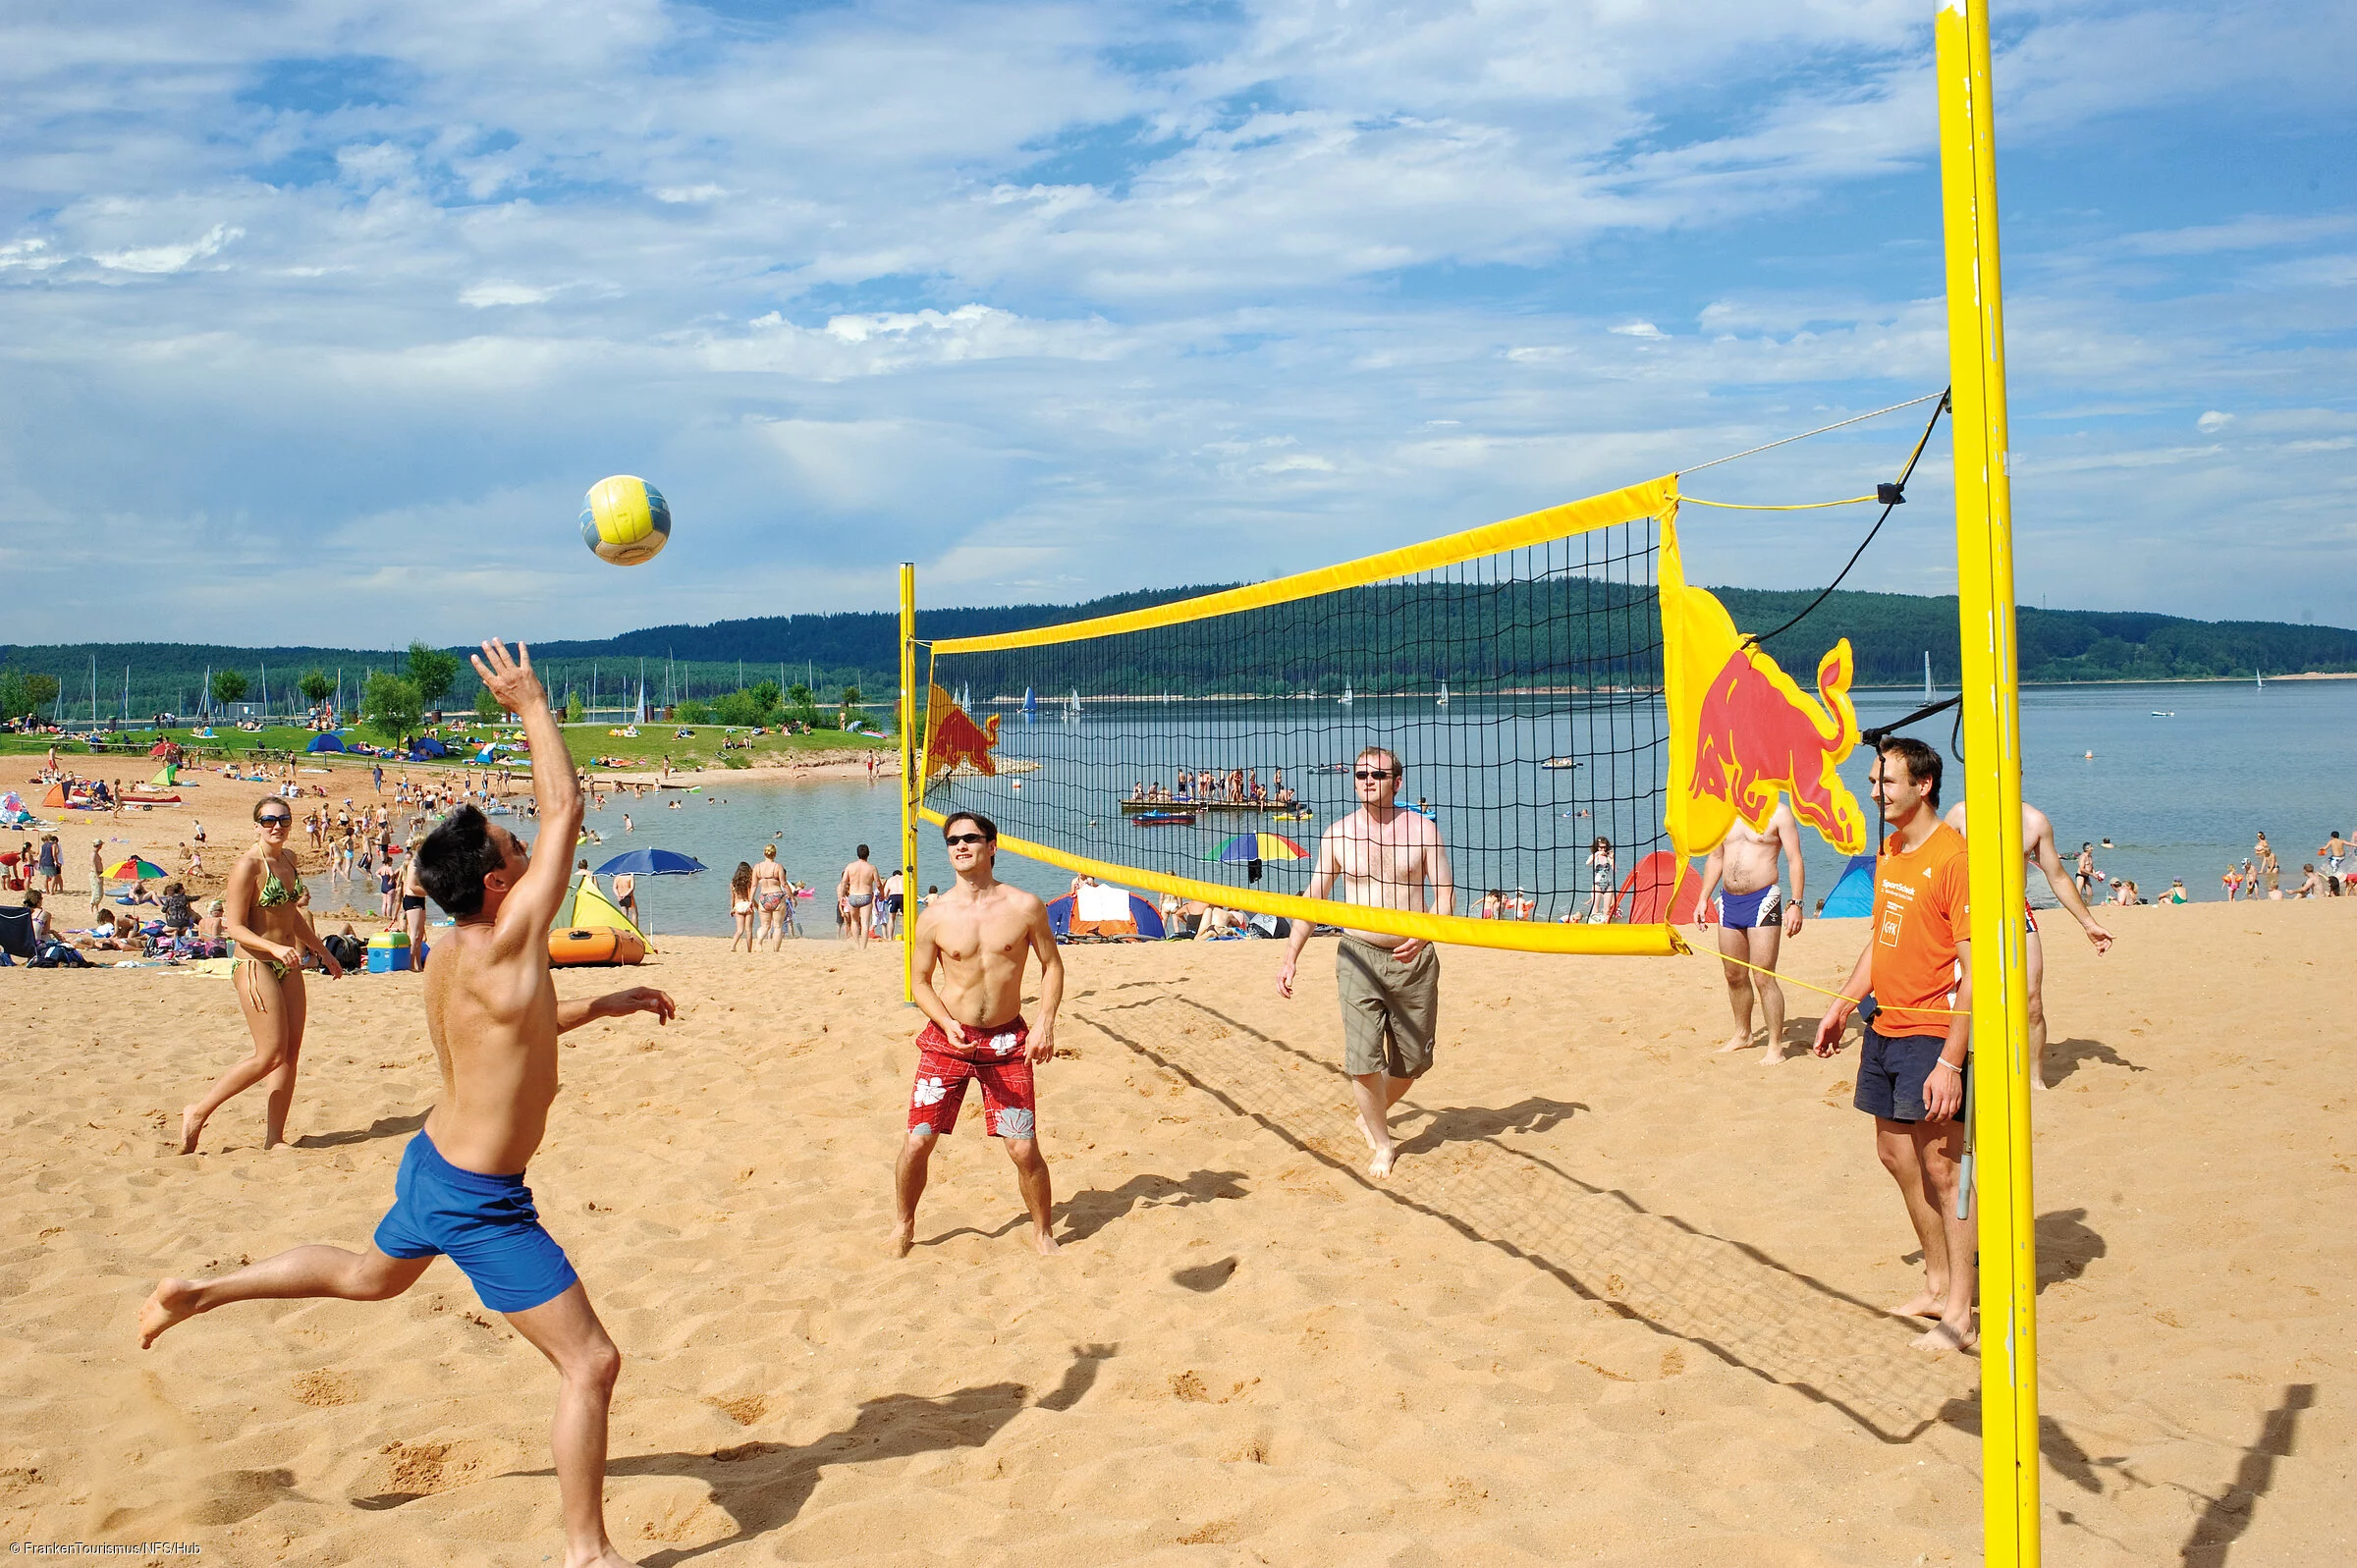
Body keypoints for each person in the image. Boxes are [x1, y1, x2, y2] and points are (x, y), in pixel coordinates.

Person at [141, 639, 673, 1568]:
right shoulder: (510, 942)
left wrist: (608, 1002)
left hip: (432, 1160)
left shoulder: (462, 953)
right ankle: (587, 1553)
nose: (524, 839)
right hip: (479, 1195)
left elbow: (507, 1038)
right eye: (512, 847)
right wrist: (533, 704)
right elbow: (566, 807)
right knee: (591, 1363)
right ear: (502, 883)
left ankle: (201, 1291)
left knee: (367, 1276)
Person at [1812, 737, 1974, 1355]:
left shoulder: (1954, 858)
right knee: (1895, 1157)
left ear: (1923, 786)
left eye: (1886, 782)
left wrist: (1950, 1062)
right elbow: (1883, 941)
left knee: (1943, 1166)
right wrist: (1842, 1004)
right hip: (1885, 1026)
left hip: (1935, 1030)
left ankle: (1961, 1311)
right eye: (1875, 782)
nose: (1875, 793)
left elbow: (1974, 967)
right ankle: (1937, 1284)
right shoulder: (1890, 851)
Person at [1276, 744, 1454, 1179]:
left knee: (1413, 1063)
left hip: (1414, 958)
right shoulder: (1337, 835)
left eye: (1377, 775)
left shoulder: (1422, 831)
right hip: (1357, 956)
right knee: (1362, 1060)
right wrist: (1290, 956)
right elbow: (1314, 901)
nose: (1368, 782)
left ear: (1398, 781)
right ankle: (1382, 1142)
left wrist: (1424, 933)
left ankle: (1368, 1115)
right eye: (1360, 775)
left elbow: (1445, 895)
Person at [896, 811, 1064, 1258]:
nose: (961, 846)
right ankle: (904, 1225)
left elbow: (1052, 965)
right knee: (917, 1141)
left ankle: (1043, 1232)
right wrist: (946, 1022)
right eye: (953, 841)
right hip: (949, 1038)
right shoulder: (935, 915)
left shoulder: (1025, 906)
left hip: (1008, 1041)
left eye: (971, 838)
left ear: (993, 845)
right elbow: (919, 981)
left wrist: (1045, 1022)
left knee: (1023, 1149)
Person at [180, 796, 346, 1154]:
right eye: (268, 820)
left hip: (288, 964)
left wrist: (323, 950)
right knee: (269, 1053)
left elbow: (292, 916)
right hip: (255, 963)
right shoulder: (248, 866)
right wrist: (272, 949)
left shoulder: (289, 859)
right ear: (256, 824)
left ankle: (275, 1138)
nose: (277, 826)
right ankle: (198, 1111)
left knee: (290, 1052)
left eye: (283, 819)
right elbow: (233, 927)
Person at [1940, 799, 2114, 1091]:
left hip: (2014, 909)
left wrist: (2088, 923)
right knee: (1963, 996)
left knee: (2032, 1000)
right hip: (1967, 910)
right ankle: (1961, 1071)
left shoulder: (2034, 821)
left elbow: (2056, 875)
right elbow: (1935, 864)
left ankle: (2034, 1081)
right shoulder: (1961, 813)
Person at [1695, 803, 1806, 1063]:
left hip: (1764, 898)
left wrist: (1797, 904)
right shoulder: (1723, 811)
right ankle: (1743, 1034)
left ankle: (1775, 1047)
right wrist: (1703, 898)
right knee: (1733, 975)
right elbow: (1716, 857)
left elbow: (1795, 859)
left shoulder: (1778, 812)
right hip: (1729, 902)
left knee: (1763, 976)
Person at [839, 845, 881, 950]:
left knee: (854, 921)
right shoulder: (872, 868)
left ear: (857, 854)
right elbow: (878, 884)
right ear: (868, 854)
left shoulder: (850, 867)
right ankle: (863, 947)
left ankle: (857, 945)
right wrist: (883, 893)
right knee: (865, 923)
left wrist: (842, 896)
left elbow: (844, 882)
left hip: (853, 896)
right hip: (866, 896)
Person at [401, 847, 430, 970]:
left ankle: (417, 964)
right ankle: (410, 963)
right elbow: (412, 886)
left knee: (420, 935)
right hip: (412, 900)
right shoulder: (413, 864)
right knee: (415, 934)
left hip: (420, 899)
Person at [1583, 837, 1615, 923]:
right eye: (1601, 847)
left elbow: (1615, 869)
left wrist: (1612, 858)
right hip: (1597, 884)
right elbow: (1587, 863)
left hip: (1608, 885)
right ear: (1597, 847)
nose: (1603, 849)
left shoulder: (1608, 857)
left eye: (1604, 847)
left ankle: (1605, 926)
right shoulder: (1594, 856)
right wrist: (1596, 854)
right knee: (1595, 910)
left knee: (1607, 911)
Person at [728, 861, 756, 951]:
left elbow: (733, 897)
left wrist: (732, 908)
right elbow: (750, 896)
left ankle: (733, 946)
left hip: (738, 905)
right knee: (749, 930)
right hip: (747, 904)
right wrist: (757, 906)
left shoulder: (733, 883)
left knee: (739, 930)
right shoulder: (749, 882)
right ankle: (749, 950)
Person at [2318, 832, 2348, 897]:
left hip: (2335, 858)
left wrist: (2321, 849)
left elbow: (2325, 848)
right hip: (2342, 857)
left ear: (2332, 836)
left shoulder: (2331, 841)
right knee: (2330, 861)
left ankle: (2335, 879)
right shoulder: (2341, 841)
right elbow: (2349, 844)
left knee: (2333, 868)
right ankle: (2338, 873)